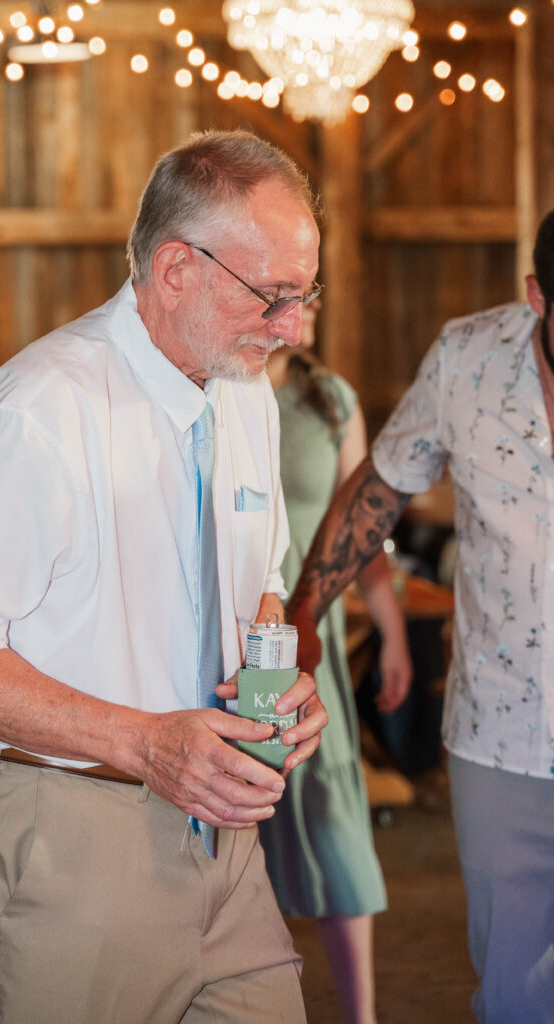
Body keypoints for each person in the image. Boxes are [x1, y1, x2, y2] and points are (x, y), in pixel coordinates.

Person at [0, 130, 329, 1024]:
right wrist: (144, 743)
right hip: (74, 833)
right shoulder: (41, 411)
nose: (292, 327)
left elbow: (262, 581)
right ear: (176, 271)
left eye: (304, 293)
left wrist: (277, 687)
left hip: (230, 845)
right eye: (272, 296)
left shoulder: (243, 394)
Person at [286, 209, 554, 1024]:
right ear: (538, 296)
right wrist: (302, 615)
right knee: (511, 989)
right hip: (500, 735)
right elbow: (380, 488)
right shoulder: (468, 358)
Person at [262, 301, 412, 1024]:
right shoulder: (212, 389)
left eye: (315, 292)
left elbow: (363, 524)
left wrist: (392, 635)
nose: (311, 306)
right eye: (292, 291)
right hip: (230, 634)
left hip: (308, 634)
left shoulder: (331, 399)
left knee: (330, 817)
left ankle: (361, 1016)